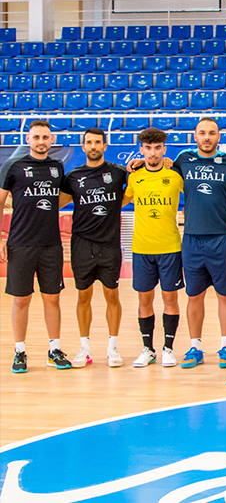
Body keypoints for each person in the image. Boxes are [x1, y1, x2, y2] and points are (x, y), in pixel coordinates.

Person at [1, 120, 71, 372]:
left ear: (51, 140)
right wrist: (1, 236)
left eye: (45, 137)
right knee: (21, 300)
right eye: (37, 137)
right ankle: (20, 352)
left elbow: (61, 199)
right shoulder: (13, 166)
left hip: (50, 244)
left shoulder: (57, 167)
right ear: (28, 139)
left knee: (52, 298)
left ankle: (54, 350)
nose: (41, 141)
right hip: (20, 243)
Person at [172, 118, 226, 370]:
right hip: (191, 238)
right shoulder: (183, 160)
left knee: (225, 296)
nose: (207, 137)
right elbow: (160, 170)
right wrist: (137, 164)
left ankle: (225, 345)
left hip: (222, 238)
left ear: (218, 137)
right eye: (202, 133)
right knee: (194, 296)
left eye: (212, 133)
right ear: (195, 136)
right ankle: (195, 346)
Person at [59, 128, 128, 368]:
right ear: (83, 146)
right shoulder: (73, 177)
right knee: (83, 296)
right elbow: (56, 203)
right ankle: (85, 348)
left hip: (109, 244)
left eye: (97, 142)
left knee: (112, 295)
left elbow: (132, 190)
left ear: (105, 146)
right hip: (82, 244)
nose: (93, 146)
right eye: (89, 142)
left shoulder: (118, 173)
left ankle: (112, 348)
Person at [123, 128, 184, 368]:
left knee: (170, 298)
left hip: (170, 246)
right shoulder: (134, 177)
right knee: (144, 300)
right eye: (148, 148)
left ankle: (168, 348)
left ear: (164, 149)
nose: (153, 153)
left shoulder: (175, 175)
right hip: (141, 248)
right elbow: (121, 198)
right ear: (141, 150)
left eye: (157, 148)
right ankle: (147, 348)